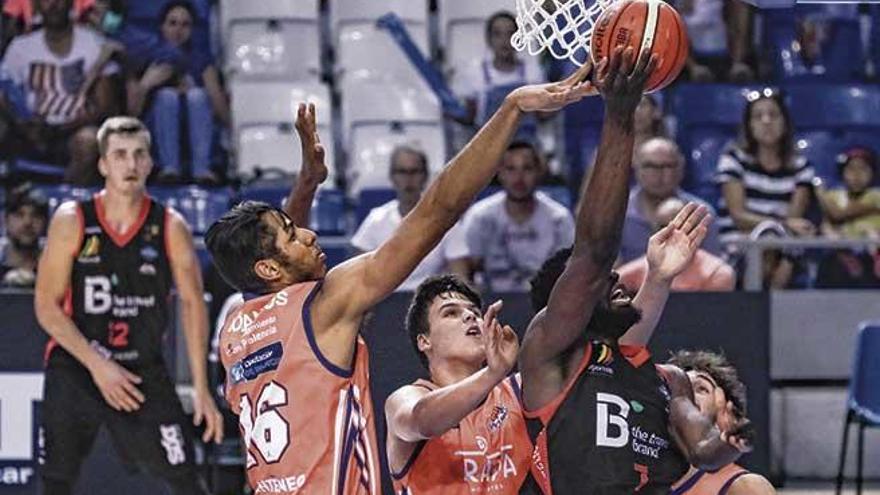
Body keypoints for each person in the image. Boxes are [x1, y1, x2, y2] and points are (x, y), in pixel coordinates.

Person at [205, 67, 593, 494]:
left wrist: (308, 184)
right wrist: (510, 109)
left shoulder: (237, 328)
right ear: (268, 269)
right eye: (293, 235)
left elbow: (276, 279)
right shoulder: (326, 304)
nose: (310, 234)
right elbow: (437, 211)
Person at [517, 47, 748, 494]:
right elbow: (594, 254)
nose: (617, 279)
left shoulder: (664, 378)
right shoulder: (551, 357)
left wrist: (727, 445)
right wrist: (620, 117)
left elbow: (703, 447)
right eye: (600, 284)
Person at [33, 116, 223, 495]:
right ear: (103, 164)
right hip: (77, 364)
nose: (131, 164)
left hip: (142, 368)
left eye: (139, 155)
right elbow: (46, 307)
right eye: (119, 155)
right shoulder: (73, 220)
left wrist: (202, 388)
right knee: (56, 480)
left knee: (185, 477)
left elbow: (192, 304)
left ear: (151, 162)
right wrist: (98, 364)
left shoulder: (170, 225)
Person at [385, 275, 530, 494]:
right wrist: (492, 373)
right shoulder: (405, 399)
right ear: (424, 341)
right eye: (451, 313)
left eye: (475, 311)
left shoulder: (517, 391)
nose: (470, 316)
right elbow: (422, 420)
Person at [0, 0, 120, 184]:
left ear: (71, 4)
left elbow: (105, 106)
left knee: (89, 140)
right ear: (38, 6)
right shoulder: (21, 47)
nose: (54, 5)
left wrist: (63, 127)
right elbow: (4, 94)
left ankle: (64, 202)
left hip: (73, 130)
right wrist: (22, 124)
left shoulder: (94, 44)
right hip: (27, 130)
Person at [126, 0, 230, 184]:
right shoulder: (144, 61)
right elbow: (131, 117)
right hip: (154, 140)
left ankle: (202, 170)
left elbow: (223, 116)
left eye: (185, 24)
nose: (178, 30)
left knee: (197, 97)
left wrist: (209, 86)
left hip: (201, 136)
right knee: (167, 97)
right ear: (161, 26)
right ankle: (169, 169)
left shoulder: (202, 61)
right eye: (172, 23)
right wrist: (146, 85)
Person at [452, 140, 574, 293]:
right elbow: (464, 270)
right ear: (499, 173)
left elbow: (570, 270)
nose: (519, 177)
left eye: (527, 168)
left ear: (539, 171)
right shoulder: (480, 216)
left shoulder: (559, 218)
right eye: (511, 169)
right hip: (492, 302)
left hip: (547, 303)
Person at [351, 145, 466, 292]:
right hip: (385, 302)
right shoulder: (376, 220)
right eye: (402, 172)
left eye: (414, 172)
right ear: (392, 177)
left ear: (425, 176)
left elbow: (460, 276)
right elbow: (360, 277)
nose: (408, 179)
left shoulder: (446, 220)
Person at [669, 350, 776, 495]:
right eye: (678, 389)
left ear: (725, 414)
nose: (686, 396)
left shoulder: (745, 487)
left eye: (701, 388)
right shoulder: (635, 472)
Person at [716, 89, 815, 238]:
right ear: (749, 125)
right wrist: (782, 223)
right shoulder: (733, 160)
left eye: (773, 115)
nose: (766, 121)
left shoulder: (801, 166)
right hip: (740, 246)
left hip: (780, 244)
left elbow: (794, 220)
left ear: (785, 123)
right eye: (758, 116)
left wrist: (783, 226)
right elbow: (738, 217)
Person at [620, 137, 722, 263]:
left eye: (668, 166)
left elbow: (713, 268)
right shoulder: (618, 213)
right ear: (636, 167)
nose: (659, 174)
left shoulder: (701, 214)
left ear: (681, 168)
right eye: (650, 166)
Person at [451, 11, 546, 139]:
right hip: (490, 142)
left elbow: (541, 114)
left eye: (510, 34)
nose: (504, 41)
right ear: (489, 39)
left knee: (520, 159)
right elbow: (469, 116)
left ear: (519, 38)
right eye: (497, 34)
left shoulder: (532, 71)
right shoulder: (475, 72)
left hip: (525, 143)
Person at [619, 197, 736, 292]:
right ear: (654, 231)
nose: (672, 234)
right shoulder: (630, 275)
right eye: (664, 227)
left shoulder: (716, 272)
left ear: (693, 228)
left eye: (680, 227)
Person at [813, 147, 880, 288]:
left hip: (871, 255)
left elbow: (838, 214)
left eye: (863, 169)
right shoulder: (834, 196)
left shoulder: (876, 196)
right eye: (851, 169)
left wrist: (820, 193)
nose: (856, 175)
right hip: (841, 254)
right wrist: (830, 233)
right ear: (842, 173)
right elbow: (827, 222)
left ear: (872, 173)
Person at [1, 182, 48, 287]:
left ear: (45, 223)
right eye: (19, 214)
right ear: (5, 221)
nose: (27, 222)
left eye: (35, 215)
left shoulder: (58, 265)